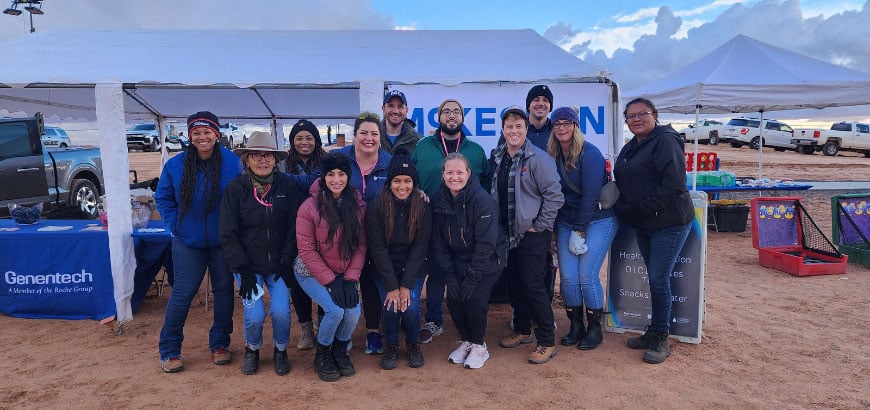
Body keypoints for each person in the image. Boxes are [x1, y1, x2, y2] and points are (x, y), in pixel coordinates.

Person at [155, 111, 242, 373]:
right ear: (189, 136)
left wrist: (234, 229)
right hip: (188, 241)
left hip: (222, 241)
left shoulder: (232, 162)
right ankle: (170, 350)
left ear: (216, 135)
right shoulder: (175, 165)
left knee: (224, 292)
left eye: (207, 132)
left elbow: (241, 199)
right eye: (196, 133)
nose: (202, 137)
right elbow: (164, 198)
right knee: (182, 294)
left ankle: (220, 345)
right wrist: (175, 226)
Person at [614, 97, 693, 364]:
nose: (636, 119)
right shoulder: (633, 146)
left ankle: (661, 336)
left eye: (642, 114)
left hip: (669, 223)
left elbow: (674, 185)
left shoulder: (666, 141)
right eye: (631, 115)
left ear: (655, 115)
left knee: (659, 279)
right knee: (654, 278)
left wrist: (640, 209)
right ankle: (654, 330)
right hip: (645, 223)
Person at [218, 131, 304, 375]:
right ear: (247, 159)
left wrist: (287, 260)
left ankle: (280, 350)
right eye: (256, 155)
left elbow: (294, 225)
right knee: (254, 315)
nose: (263, 160)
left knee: (281, 312)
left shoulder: (287, 185)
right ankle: (252, 349)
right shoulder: (236, 189)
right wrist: (242, 270)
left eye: (268, 155)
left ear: (276, 159)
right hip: (248, 267)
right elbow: (228, 234)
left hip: (279, 265)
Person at [412, 98, 490, 344]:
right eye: (446, 111)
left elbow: (486, 184)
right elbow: (409, 178)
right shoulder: (422, 146)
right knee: (437, 269)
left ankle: (467, 321)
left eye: (456, 111)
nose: (451, 115)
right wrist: (416, 191)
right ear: (438, 117)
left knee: (463, 268)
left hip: (467, 223)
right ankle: (434, 321)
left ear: (463, 118)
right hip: (432, 218)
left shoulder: (476, 150)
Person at [491, 106, 564, 364]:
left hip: (532, 233)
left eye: (519, 126)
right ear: (503, 130)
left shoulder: (538, 158)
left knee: (533, 285)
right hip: (506, 232)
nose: (514, 131)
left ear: (526, 130)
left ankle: (546, 340)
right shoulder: (498, 156)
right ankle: (522, 330)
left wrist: (541, 225)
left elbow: (554, 195)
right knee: (514, 283)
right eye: (509, 126)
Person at [547, 107, 618, 350]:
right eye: (557, 124)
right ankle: (576, 324)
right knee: (567, 277)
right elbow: (553, 196)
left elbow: (590, 195)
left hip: (598, 219)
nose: (561, 128)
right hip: (567, 221)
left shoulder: (591, 154)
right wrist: (556, 231)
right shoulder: (554, 155)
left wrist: (579, 231)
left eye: (567, 123)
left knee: (586, 275)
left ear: (576, 126)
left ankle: (595, 328)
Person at [295, 152, 367, 382]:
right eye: (331, 174)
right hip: (310, 271)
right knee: (335, 311)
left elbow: (360, 245)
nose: (336, 179)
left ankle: (338, 350)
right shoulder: (308, 207)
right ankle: (323, 355)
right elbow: (306, 251)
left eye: (342, 174)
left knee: (353, 312)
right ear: (323, 177)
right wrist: (330, 281)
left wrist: (349, 278)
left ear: (348, 177)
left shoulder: (357, 204)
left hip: (344, 272)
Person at [430, 153, 506, 369]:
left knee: (473, 299)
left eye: (459, 172)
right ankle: (467, 340)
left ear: (468, 173)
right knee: (454, 298)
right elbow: (438, 242)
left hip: (488, 260)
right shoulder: (438, 199)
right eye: (449, 172)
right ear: (443, 174)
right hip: (457, 260)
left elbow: (486, 244)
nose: (455, 177)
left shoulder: (482, 200)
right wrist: (450, 275)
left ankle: (480, 346)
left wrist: (471, 279)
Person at [365, 152, 431, 370]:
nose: (402, 186)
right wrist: (393, 286)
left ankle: (413, 344)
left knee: (410, 307)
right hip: (385, 269)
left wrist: (406, 285)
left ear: (414, 183)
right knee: (392, 306)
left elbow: (420, 248)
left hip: (413, 268)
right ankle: (391, 345)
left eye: (407, 181)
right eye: (397, 181)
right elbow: (377, 249)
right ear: (389, 183)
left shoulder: (422, 206)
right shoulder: (376, 207)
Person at [335, 113, 392, 356]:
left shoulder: (389, 163)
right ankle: (340, 334)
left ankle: (372, 332)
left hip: (377, 235)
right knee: (339, 281)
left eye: (374, 134)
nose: (369, 138)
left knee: (370, 281)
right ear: (355, 136)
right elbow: (317, 184)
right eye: (364, 133)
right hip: (342, 235)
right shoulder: (339, 159)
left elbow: (405, 187)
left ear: (381, 138)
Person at [284, 119, 327, 351]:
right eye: (299, 138)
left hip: (321, 230)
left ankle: (322, 324)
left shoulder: (325, 162)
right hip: (291, 231)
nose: (304, 142)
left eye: (309, 137)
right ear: (292, 141)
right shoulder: (283, 163)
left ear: (316, 140)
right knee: (297, 282)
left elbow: (309, 182)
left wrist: (277, 177)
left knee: (321, 277)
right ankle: (305, 328)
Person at [380, 90, 422, 155]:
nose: (395, 111)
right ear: (383, 108)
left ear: (406, 110)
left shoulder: (418, 141)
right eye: (391, 106)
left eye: (400, 107)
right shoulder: (372, 138)